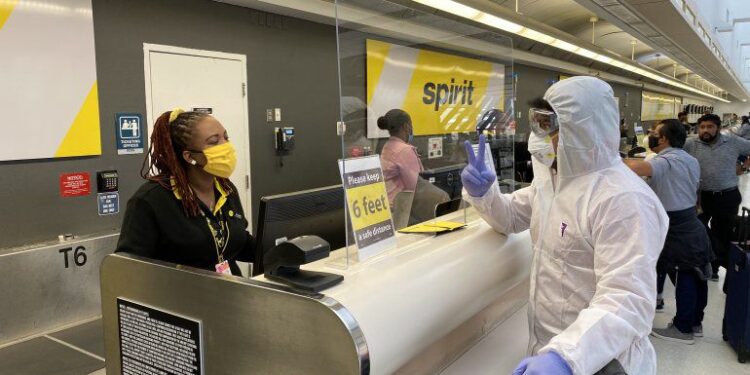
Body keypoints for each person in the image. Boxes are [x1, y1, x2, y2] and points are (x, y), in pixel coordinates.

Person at [463, 76, 668, 375]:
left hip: (601, 360)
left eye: (550, 125)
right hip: (552, 347)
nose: (541, 136)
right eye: (538, 123)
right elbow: (509, 217)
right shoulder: (552, 183)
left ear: (583, 129)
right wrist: (484, 194)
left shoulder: (622, 199)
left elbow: (627, 298)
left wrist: (566, 357)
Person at [117, 109, 255, 276]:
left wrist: (283, 252)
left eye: (226, 137)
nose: (225, 146)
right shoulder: (151, 200)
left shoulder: (226, 189)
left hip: (230, 295)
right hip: (179, 298)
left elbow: (238, 243)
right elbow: (128, 270)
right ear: (189, 156)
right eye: (214, 141)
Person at [624, 119, 712, 344]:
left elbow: (636, 168)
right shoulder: (690, 159)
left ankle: (683, 329)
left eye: (654, 132)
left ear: (663, 139)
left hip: (677, 227)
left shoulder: (666, 160)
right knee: (695, 274)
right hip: (691, 223)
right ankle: (694, 323)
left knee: (684, 276)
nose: (651, 135)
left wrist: (607, 156)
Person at [684, 114, 750, 281]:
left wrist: (744, 166)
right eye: (702, 127)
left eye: (710, 127)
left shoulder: (732, 142)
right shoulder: (691, 143)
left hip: (727, 195)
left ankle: (714, 268)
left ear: (718, 128)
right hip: (701, 196)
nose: (705, 130)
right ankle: (714, 259)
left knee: (723, 232)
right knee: (700, 229)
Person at [378, 109, 424, 205]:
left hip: (387, 204)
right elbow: (416, 186)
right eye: (411, 125)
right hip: (400, 209)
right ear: (406, 126)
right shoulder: (405, 150)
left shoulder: (388, 145)